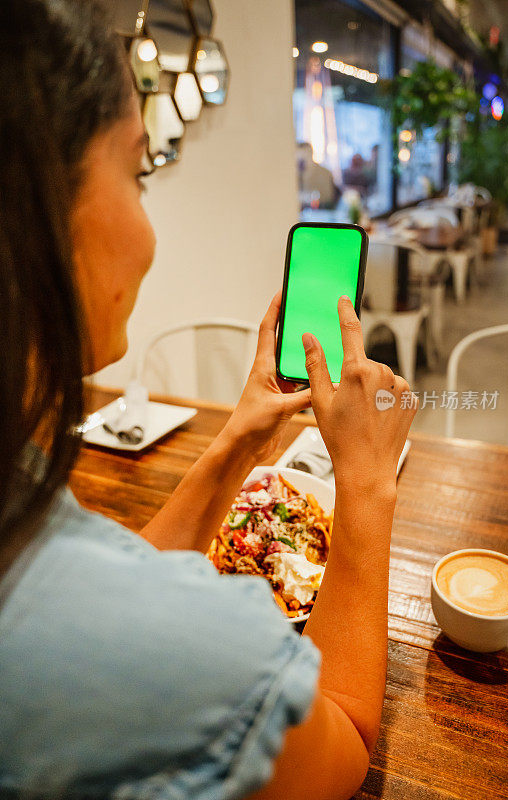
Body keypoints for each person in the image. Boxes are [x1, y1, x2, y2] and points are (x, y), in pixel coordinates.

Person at [0, 2, 417, 799]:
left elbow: (121, 584)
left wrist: (238, 443)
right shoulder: (189, 658)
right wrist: (367, 484)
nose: (150, 230)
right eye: (137, 171)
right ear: (34, 213)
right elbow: (341, 742)